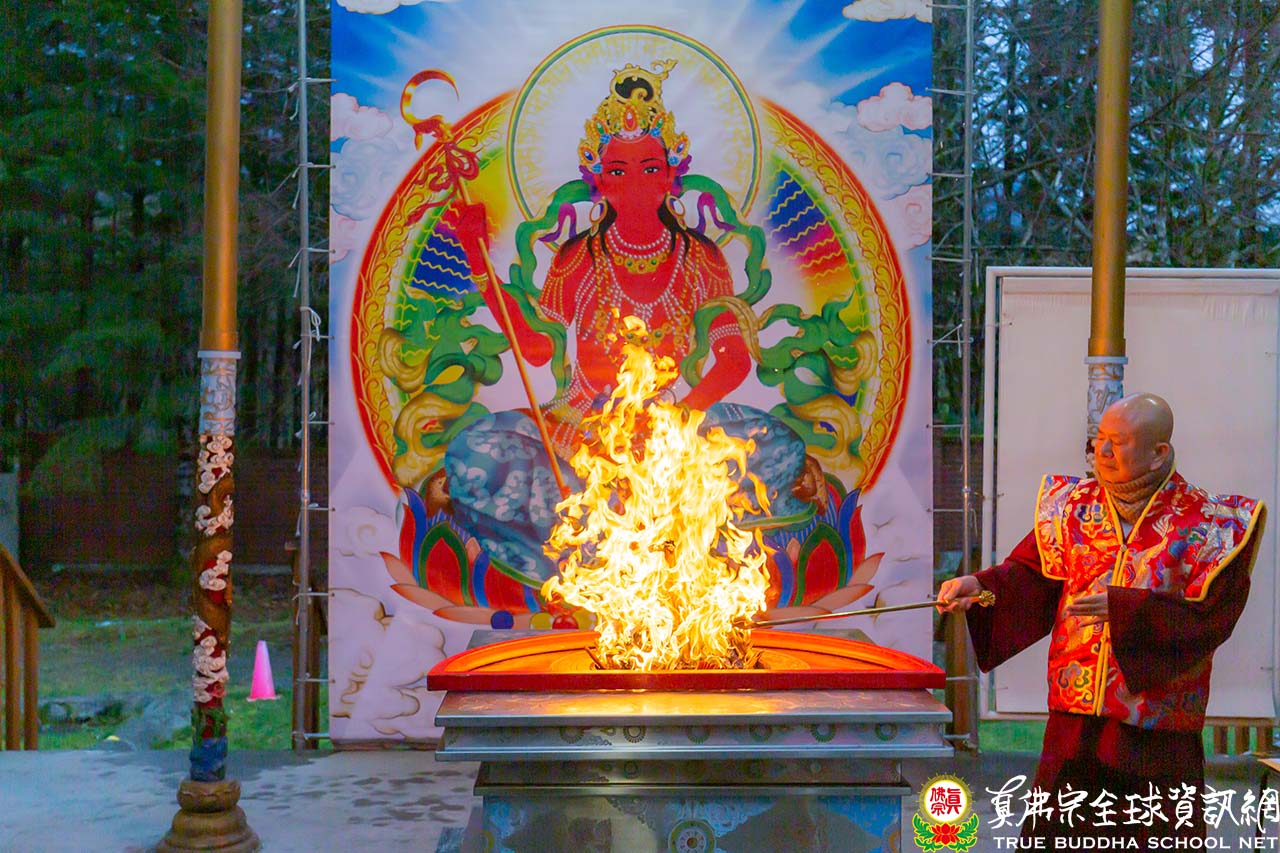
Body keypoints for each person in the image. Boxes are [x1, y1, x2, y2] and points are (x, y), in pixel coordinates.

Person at [444, 60, 813, 584]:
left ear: (672, 176)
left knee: (779, 445)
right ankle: (581, 567)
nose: (635, 182)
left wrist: (676, 420)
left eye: (650, 169)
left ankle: (681, 554)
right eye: (617, 171)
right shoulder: (578, 257)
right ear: (597, 181)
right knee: (475, 452)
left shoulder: (701, 257)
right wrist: (478, 264)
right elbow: (536, 349)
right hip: (584, 426)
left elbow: (732, 362)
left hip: (679, 425)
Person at [937, 393, 1266, 841]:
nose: (1102, 451)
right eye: (1099, 438)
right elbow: (1032, 574)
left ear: (1159, 453)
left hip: (1155, 731)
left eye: (1119, 441)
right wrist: (980, 586)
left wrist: (1129, 612)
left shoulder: (1210, 524)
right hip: (1074, 723)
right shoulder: (1071, 505)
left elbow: (1214, 617)